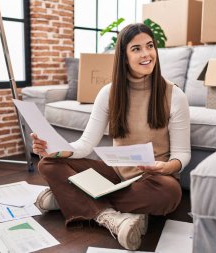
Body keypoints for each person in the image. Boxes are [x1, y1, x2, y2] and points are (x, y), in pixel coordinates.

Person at [31, 23, 191, 251]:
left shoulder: (175, 95)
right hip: (115, 174)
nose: (146, 54)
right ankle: (110, 217)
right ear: (124, 57)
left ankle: (67, 197)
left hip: (153, 179)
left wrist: (166, 167)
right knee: (48, 163)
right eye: (136, 49)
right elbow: (85, 144)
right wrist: (55, 150)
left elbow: (182, 155)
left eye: (150, 46)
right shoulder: (108, 93)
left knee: (170, 194)